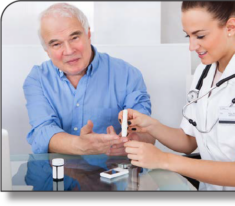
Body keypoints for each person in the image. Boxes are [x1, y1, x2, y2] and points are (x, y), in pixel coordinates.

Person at [121, 2, 235, 190]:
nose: (191, 46)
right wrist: (149, 124)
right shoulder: (204, 71)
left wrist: (163, 159)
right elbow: (188, 141)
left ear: (230, 27)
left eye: (200, 36)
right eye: (188, 35)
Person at [23, 3, 154, 155]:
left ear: (88, 34)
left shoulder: (127, 75)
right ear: (46, 50)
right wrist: (80, 145)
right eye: (56, 44)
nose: (69, 50)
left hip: (114, 172)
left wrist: (131, 141)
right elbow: (42, 131)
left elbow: (148, 133)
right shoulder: (37, 79)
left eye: (74, 37)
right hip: (55, 174)